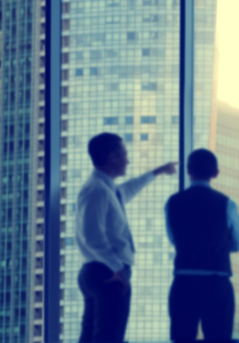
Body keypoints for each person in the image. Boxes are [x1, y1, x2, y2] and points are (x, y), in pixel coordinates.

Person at [76, 132, 177, 343]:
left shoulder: (106, 188)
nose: (128, 160)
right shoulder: (97, 190)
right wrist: (117, 269)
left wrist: (157, 172)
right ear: (112, 157)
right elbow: (91, 235)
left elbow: (127, 190)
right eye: (124, 155)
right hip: (108, 274)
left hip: (98, 271)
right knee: (109, 338)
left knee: (93, 337)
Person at [165, 148, 239, 342]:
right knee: (219, 339)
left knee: (182, 339)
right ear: (216, 173)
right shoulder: (227, 204)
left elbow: (174, 239)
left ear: (188, 170)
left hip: (183, 283)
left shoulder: (172, 202)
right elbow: (238, 244)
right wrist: (221, 244)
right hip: (216, 283)